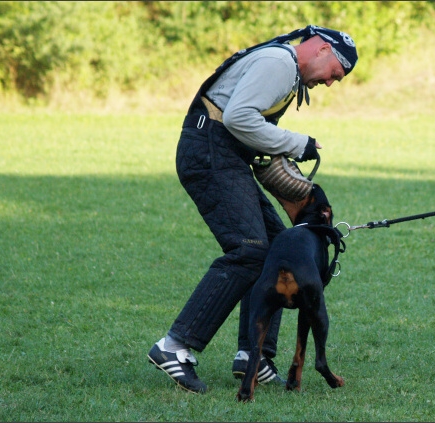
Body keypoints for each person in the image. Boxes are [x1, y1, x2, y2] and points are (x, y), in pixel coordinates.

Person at [148, 25, 358, 393]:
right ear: (322, 50)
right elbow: (238, 119)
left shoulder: (285, 69)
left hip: (223, 154)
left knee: (278, 243)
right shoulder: (279, 63)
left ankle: (253, 355)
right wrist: (297, 143)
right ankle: (175, 346)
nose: (329, 83)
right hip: (210, 152)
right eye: (334, 75)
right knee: (249, 249)